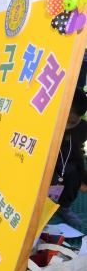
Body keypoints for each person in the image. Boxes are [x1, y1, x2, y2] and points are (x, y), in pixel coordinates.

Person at [50, 88, 87, 226]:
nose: (67, 126)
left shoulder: (82, 129)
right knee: (48, 177)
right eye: (65, 120)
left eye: (73, 122)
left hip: (65, 163)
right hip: (46, 163)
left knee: (74, 173)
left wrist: (83, 177)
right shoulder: (46, 122)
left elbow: (79, 150)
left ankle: (64, 207)